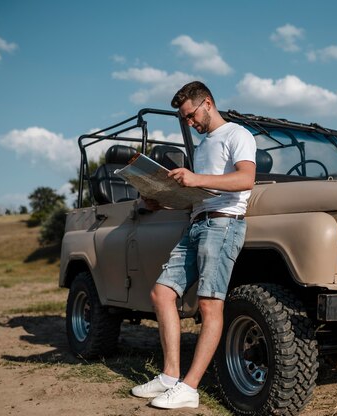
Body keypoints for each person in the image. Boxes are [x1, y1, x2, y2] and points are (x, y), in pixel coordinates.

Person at [131, 81, 257, 409]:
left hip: (224, 224)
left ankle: (190, 387)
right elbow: (197, 197)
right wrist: (163, 201)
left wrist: (196, 178)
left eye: (190, 115)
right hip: (197, 224)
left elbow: (246, 179)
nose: (190, 123)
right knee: (162, 293)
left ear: (208, 104)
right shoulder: (202, 147)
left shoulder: (237, 135)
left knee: (209, 305)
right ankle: (170, 377)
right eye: (184, 119)